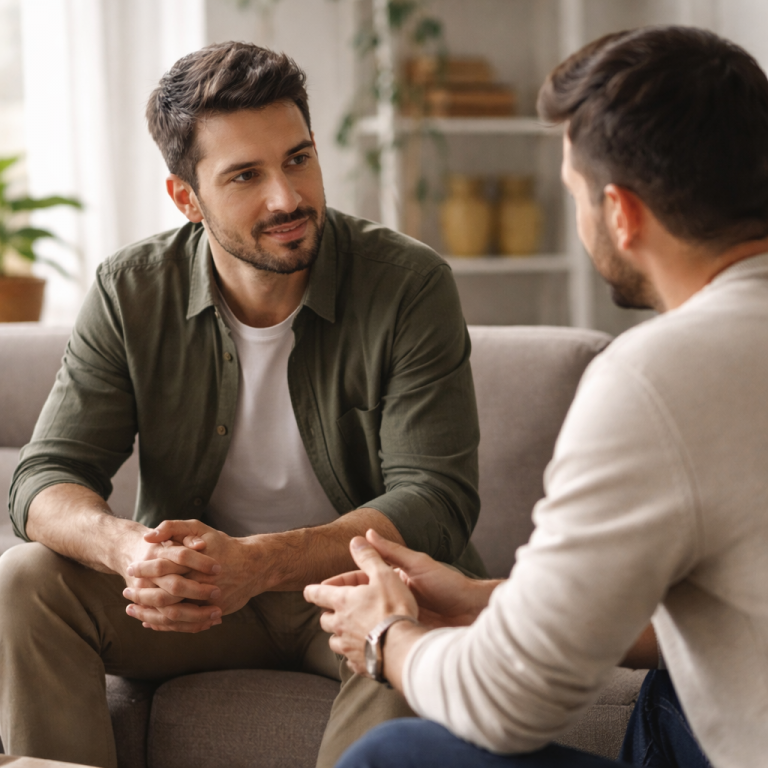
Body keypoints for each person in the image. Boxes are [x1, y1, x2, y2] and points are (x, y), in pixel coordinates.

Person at [0, 42, 483, 768]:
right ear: (186, 199)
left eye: (298, 158)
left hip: (351, 589)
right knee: (26, 580)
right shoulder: (131, 290)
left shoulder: (408, 284)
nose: (287, 197)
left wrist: (259, 562)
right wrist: (129, 551)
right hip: (196, 601)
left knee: (411, 631)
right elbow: (45, 476)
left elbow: (436, 497)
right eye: (246, 176)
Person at [304, 25, 768, 768]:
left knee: (395, 757)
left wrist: (389, 637)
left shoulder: (659, 378)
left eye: (576, 197)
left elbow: (506, 704)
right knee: (673, 681)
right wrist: (489, 601)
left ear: (622, 213)